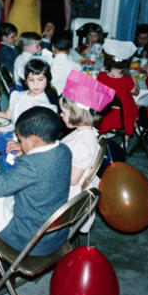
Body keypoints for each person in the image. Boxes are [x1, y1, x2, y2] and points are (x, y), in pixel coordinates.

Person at [0, 106, 72, 285]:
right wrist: (26, 150)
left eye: (20, 140)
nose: (18, 142)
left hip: (32, 241)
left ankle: (1, 273)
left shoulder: (31, 165)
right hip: (57, 233)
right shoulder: (64, 150)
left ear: (33, 140)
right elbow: (43, 163)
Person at [59, 70, 116, 231]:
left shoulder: (84, 144)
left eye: (63, 112)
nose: (61, 115)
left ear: (76, 114)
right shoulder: (83, 132)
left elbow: (72, 179)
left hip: (68, 195)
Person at [0, 59, 57, 124]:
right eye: (31, 80)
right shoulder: (18, 96)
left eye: (40, 79)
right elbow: (7, 115)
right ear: (26, 80)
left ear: (47, 80)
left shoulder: (44, 106)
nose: (35, 84)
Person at [97, 40, 139, 138]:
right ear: (126, 63)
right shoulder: (126, 79)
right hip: (122, 116)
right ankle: (125, 144)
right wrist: (135, 82)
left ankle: (102, 137)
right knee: (133, 108)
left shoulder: (101, 76)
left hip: (104, 113)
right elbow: (136, 93)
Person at [49, 30, 82, 95]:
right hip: (67, 100)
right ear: (70, 48)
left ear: (53, 47)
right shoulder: (76, 67)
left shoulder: (47, 64)